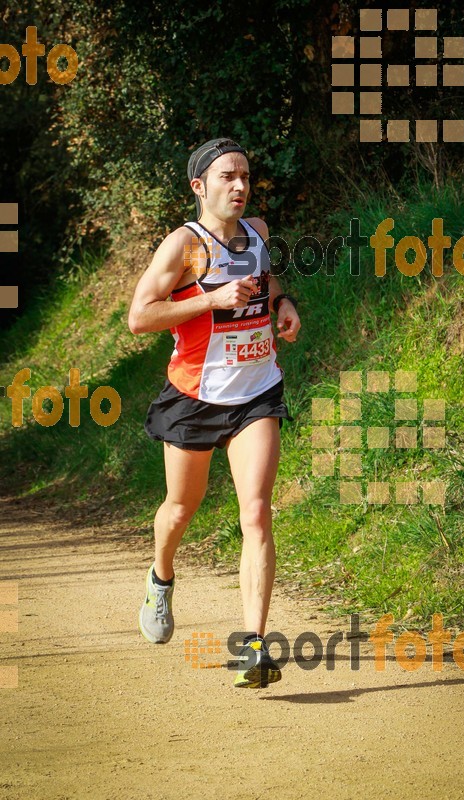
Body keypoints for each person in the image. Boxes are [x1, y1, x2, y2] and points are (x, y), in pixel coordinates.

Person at [128, 137, 301, 688]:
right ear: (199, 187)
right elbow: (140, 317)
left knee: (256, 511)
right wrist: (210, 299)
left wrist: (282, 302)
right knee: (181, 508)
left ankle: (253, 645)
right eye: (227, 177)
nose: (240, 186)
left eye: (246, 176)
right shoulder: (183, 247)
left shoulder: (258, 233)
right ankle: (161, 577)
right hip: (195, 398)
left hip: (256, 392)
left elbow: (265, 279)